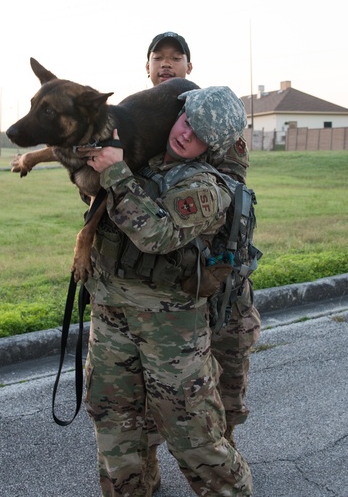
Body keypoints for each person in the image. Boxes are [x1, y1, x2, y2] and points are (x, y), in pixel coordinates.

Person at [78, 86, 253, 497]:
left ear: (214, 146)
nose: (187, 134)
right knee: (113, 417)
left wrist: (116, 172)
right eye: (187, 121)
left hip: (170, 327)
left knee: (192, 431)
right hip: (111, 314)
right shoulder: (142, 156)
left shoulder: (209, 188)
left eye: (201, 135)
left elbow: (156, 235)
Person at [142, 32, 262, 490]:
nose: (167, 64)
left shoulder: (209, 115)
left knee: (227, 384)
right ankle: (148, 474)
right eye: (159, 58)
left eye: (176, 58)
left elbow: (228, 185)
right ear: (147, 67)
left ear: (189, 67)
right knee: (151, 397)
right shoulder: (140, 121)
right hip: (162, 293)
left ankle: (224, 465)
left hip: (218, 277)